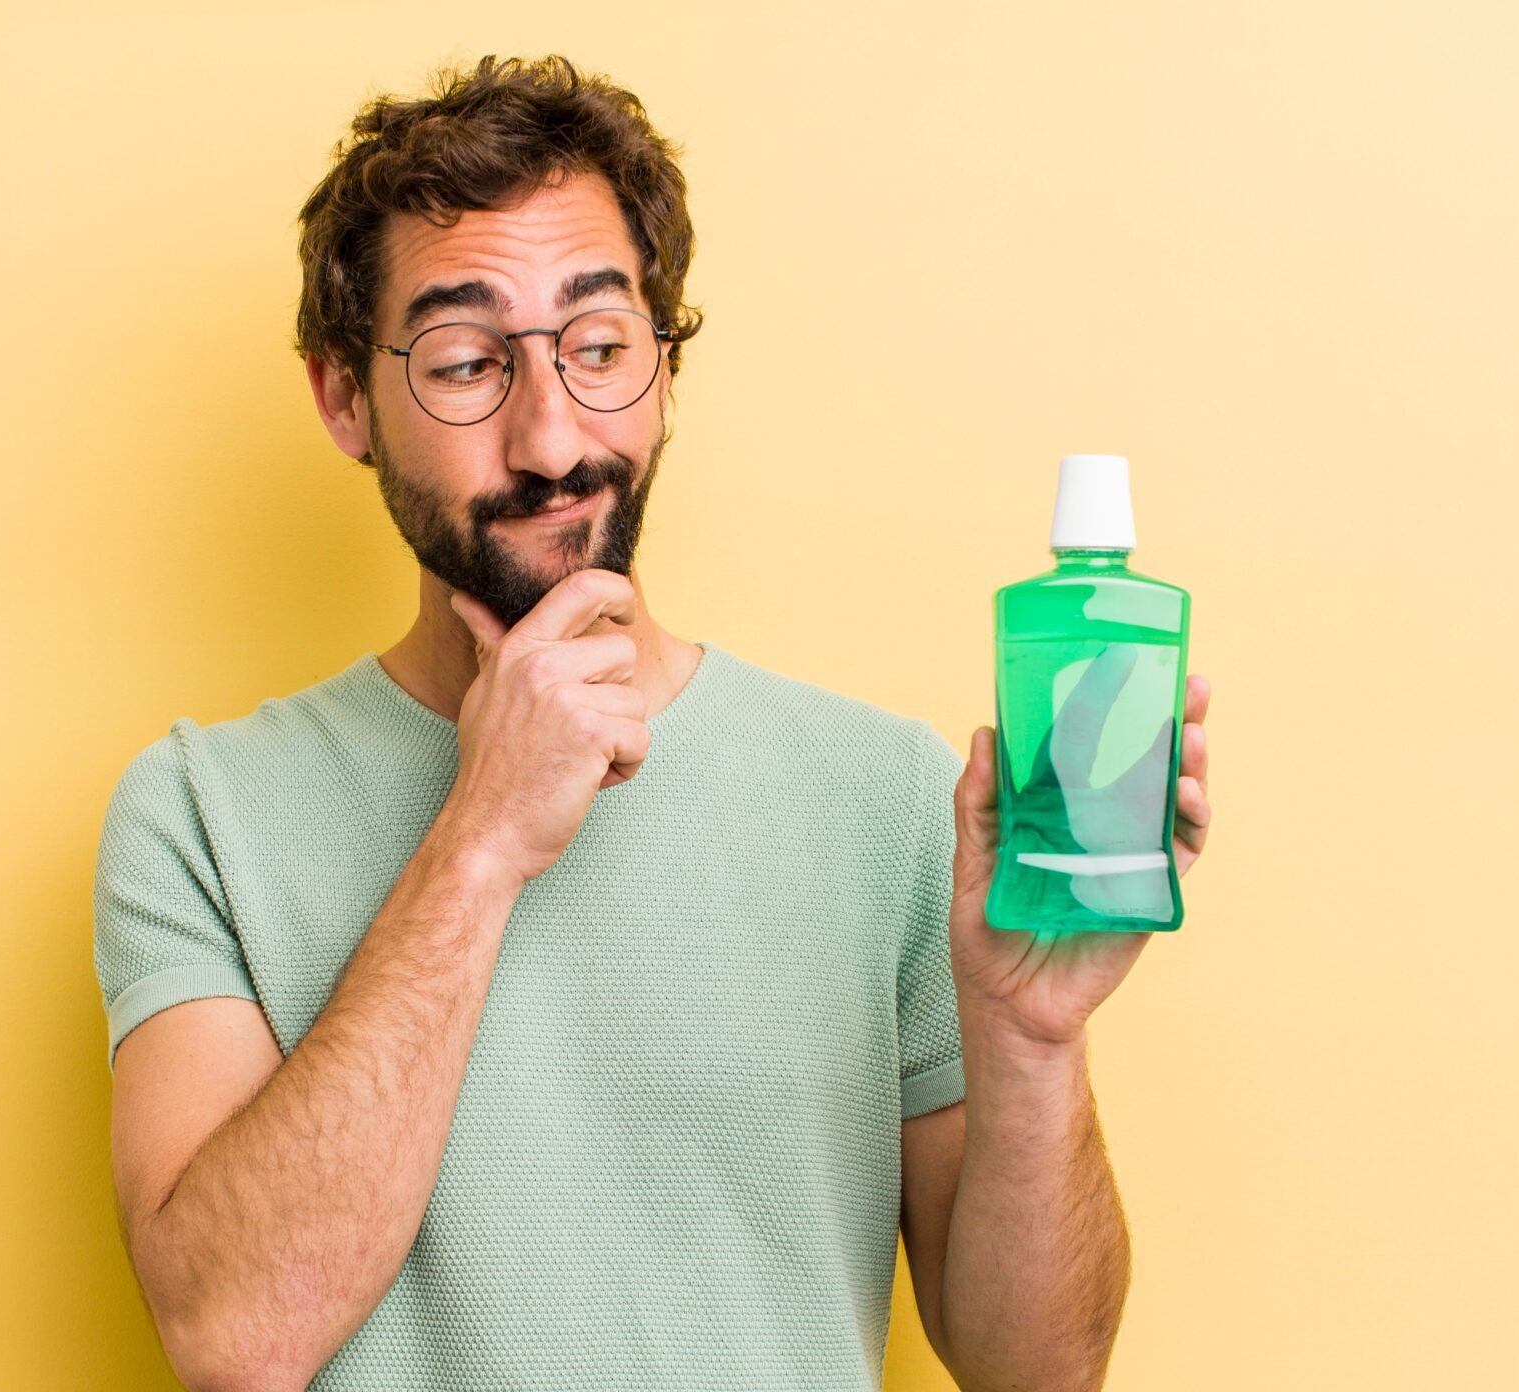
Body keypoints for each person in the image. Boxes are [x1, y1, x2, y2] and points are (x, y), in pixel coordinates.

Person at [92, 53, 1215, 1392]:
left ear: (667, 373)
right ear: (345, 398)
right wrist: (483, 837)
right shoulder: (200, 812)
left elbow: (1040, 1376)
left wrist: (1033, 1043)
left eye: (602, 348)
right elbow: (234, 1339)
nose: (553, 436)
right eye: (463, 363)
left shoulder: (887, 797)